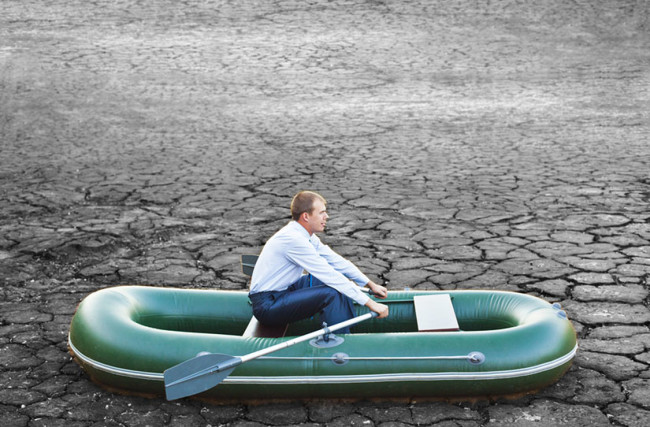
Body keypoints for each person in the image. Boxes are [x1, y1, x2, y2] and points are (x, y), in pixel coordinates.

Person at [249, 191, 389, 334]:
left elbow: (337, 261)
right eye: (321, 212)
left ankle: (346, 327)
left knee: (334, 280)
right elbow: (328, 274)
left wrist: (370, 284)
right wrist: (371, 304)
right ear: (306, 216)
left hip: (284, 290)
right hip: (268, 305)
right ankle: (341, 340)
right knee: (331, 292)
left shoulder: (305, 235)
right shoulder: (294, 239)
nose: (326, 216)